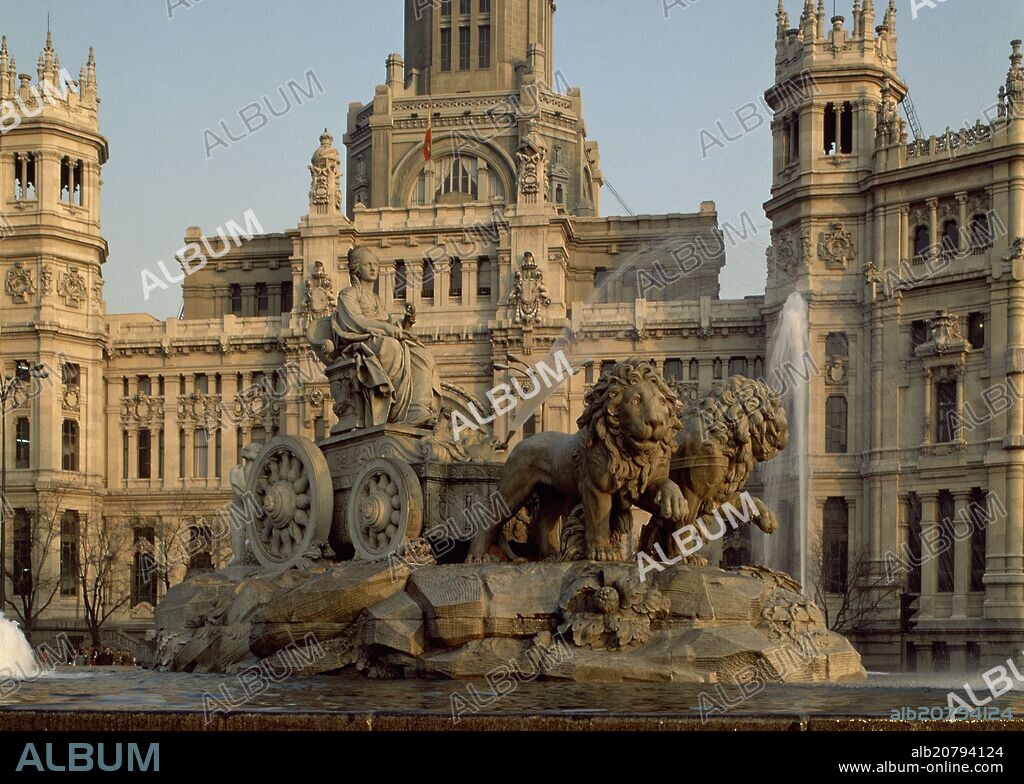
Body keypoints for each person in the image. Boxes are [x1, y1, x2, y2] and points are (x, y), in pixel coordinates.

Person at [331, 246, 442, 428]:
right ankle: (395, 411)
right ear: (357, 269)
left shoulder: (376, 299)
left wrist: (406, 322)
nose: (374, 268)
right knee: (391, 347)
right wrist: (388, 329)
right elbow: (356, 322)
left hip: (381, 339)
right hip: (360, 341)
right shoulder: (348, 294)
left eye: (375, 264)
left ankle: (416, 408)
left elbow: (391, 325)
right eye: (368, 265)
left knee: (423, 356)